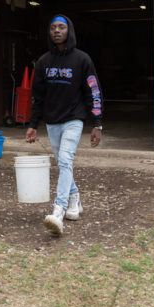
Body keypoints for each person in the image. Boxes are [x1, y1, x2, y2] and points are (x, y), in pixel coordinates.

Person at [25, 14, 103, 235]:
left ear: (69, 31)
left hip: (74, 119)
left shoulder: (83, 60)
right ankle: (75, 200)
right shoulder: (43, 62)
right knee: (62, 164)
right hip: (52, 121)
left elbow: (93, 91)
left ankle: (58, 210)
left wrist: (97, 123)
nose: (57, 31)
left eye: (61, 27)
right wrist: (33, 124)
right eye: (52, 28)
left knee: (66, 159)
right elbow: (37, 97)